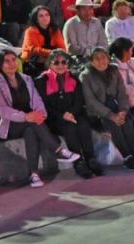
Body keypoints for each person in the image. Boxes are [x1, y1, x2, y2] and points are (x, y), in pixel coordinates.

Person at [0, 50, 81, 187]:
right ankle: (59, 151)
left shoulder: (26, 78)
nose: (12, 63)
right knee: (31, 125)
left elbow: (37, 101)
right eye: (7, 61)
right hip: (6, 124)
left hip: (28, 122)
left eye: (14, 59)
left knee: (31, 130)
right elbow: (0, 109)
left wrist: (40, 115)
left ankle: (34, 175)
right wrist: (26, 116)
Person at [34, 50, 103, 178]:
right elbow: (43, 105)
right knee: (69, 128)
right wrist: (62, 115)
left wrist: (71, 113)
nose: (61, 65)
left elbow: (79, 100)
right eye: (56, 62)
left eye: (64, 62)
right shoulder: (41, 81)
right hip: (53, 118)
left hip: (73, 114)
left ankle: (90, 158)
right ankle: (78, 162)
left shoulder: (73, 78)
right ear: (50, 64)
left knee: (83, 124)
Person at [80, 47, 134, 170]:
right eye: (97, 59)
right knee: (113, 123)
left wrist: (123, 111)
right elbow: (91, 102)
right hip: (97, 113)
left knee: (126, 120)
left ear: (108, 58)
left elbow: (122, 94)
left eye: (103, 58)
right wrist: (111, 115)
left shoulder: (114, 71)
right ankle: (127, 157)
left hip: (116, 108)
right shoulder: (85, 76)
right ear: (91, 61)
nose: (101, 62)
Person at [21, 6, 67, 75]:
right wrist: (52, 53)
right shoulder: (30, 31)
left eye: (47, 15)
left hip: (53, 58)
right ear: (36, 19)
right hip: (33, 60)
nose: (45, 18)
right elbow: (34, 49)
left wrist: (56, 54)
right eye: (41, 16)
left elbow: (62, 47)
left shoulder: (55, 30)